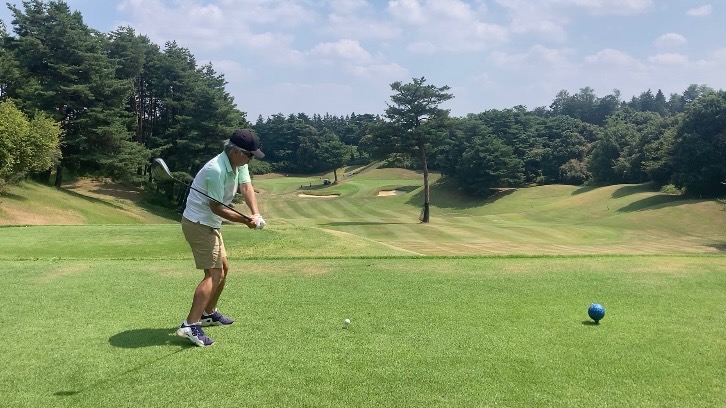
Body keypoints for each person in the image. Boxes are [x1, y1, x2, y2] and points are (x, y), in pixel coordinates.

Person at [176, 128, 266, 347]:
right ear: (236, 151)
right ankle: (190, 324)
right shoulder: (215, 170)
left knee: (224, 269)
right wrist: (245, 221)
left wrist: (255, 214)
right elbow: (216, 207)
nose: (251, 159)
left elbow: (246, 187)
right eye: (249, 155)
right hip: (199, 223)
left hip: (210, 223)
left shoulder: (239, 164)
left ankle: (208, 313)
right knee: (214, 274)